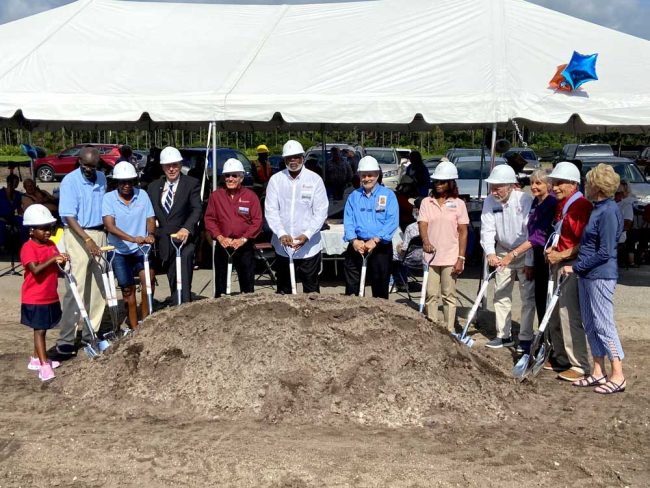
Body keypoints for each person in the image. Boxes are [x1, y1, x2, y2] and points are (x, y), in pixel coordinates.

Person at [563, 164, 626, 394]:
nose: (585, 186)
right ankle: (598, 371)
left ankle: (618, 374)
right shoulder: (597, 208)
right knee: (590, 324)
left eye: (588, 182)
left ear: (596, 185)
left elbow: (606, 251)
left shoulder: (609, 211)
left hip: (601, 275)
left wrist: (576, 266)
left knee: (603, 324)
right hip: (587, 275)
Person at [54, 146, 107, 357]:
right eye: (85, 165)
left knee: (97, 288)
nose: (89, 170)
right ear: (79, 162)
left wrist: (98, 239)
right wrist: (86, 239)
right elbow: (68, 215)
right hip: (77, 234)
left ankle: (90, 333)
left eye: (92, 166)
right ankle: (66, 338)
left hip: (99, 233)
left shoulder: (102, 178)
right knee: (76, 288)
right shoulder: (70, 181)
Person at [545, 161, 593, 381]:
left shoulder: (580, 206)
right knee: (555, 312)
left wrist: (561, 255)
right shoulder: (564, 204)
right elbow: (563, 234)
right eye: (554, 183)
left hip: (570, 266)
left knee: (568, 313)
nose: (555, 187)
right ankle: (561, 356)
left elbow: (586, 242)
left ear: (573, 184)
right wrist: (555, 249)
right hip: (559, 261)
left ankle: (579, 364)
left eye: (560, 183)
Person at [480, 164, 535, 349]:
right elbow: (487, 229)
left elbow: (531, 232)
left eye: (498, 188)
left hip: (524, 250)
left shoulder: (525, 200)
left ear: (511, 186)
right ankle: (503, 335)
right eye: (492, 187)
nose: (494, 191)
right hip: (502, 249)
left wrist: (526, 259)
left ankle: (526, 338)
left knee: (527, 296)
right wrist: (490, 253)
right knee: (501, 293)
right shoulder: (489, 201)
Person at [500, 169, 557, 350]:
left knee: (546, 299)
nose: (533, 186)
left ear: (548, 185)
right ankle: (541, 339)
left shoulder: (551, 203)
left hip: (549, 257)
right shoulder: (535, 202)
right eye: (532, 183)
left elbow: (538, 237)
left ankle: (549, 340)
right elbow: (530, 233)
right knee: (538, 298)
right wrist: (529, 262)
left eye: (538, 183)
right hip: (537, 257)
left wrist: (513, 254)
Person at [265, 140, 328, 294]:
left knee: (311, 289)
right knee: (284, 290)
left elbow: (321, 211)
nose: (293, 160)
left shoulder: (315, 180)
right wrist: (281, 233)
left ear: (302, 157)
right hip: (283, 246)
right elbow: (271, 210)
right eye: (289, 158)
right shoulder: (276, 180)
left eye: (296, 157)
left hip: (309, 246)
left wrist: (307, 234)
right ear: (284, 160)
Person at [102, 162, 156, 328]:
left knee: (149, 281)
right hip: (119, 251)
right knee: (127, 289)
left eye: (130, 181)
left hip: (141, 248)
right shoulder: (108, 198)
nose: (126, 185)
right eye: (122, 182)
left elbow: (150, 218)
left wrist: (151, 234)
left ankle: (146, 321)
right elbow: (109, 225)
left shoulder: (142, 195)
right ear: (116, 182)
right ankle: (134, 327)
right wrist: (132, 238)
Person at [147, 146, 202, 305]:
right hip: (164, 239)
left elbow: (196, 209)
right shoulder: (153, 187)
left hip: (184, 239)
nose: (171, 169)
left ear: (180, 164)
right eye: (167, 166)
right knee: (172, 275)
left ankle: (184, 307)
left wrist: (186, 228)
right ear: (162, 167)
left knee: (183, 271)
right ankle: (175, 303)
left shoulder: (191, 184)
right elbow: (149, 212)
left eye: (175, 165)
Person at [418, 161, 469, 329]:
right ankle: (433, 327)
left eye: (442, 182)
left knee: (448, 294)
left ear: (451, 183)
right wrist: (426, 241)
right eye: (436, 182)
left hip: (450, 255)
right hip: (431, 256)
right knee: (431, 294)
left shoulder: (459, 204)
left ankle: (449, 329)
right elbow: (423, 224)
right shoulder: (427, 202)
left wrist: (461, 257)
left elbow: (463, 231)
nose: (438, 185)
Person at [20, 204, 68, 382]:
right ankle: (43, 365)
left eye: (50, 228)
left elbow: (56, 265)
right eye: (43, 228)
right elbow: (35, 270)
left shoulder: (51, 245)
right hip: (35, 297)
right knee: (39, 330)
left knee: (45, 327)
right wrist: (53, 259)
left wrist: (61, 260)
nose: (48, 232)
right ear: (32, 231)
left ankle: (36, 358)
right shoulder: (28, 248)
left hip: (50, 295)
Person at [204, 158, 263, 298]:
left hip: (244, 245)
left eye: (234, 175)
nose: (230, 179)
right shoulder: (215, 196)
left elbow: (257, 221)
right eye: (227, 175)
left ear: (241, 178)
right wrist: (219, 237)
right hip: (223, 245)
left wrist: (243, 239)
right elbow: (209, 219)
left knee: (247, 286)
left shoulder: (251, 196)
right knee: (221, 285)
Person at [343, 155, 399, 299]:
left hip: (380, 246)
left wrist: (375, 240)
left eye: (370, 175)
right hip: (357, 245)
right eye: (363, 175)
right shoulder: (353, 196)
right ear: (359, 175)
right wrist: (354, 241)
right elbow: (348, 220)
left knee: (380, 290)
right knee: (351, 289)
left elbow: (392, 221)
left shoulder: (388, 196)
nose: (367, 178)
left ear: (377, 175)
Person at [392, 196, 424, 287]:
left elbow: (404, 249)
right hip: (428, 258)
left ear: (417, 210)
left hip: (412, 258)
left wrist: (398, 247)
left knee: (392, 254)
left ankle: (397, 282)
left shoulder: (411, 227)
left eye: (414, 207)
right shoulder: (434, 225)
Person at [615, 180, 637, 267]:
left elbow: (627, 224)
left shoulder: (626, 205)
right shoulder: (610, 204)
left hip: (620, 233)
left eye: (618, 192)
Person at [0, 174, 24, 245]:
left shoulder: (18, 194)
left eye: (17, 182)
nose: (15, 184)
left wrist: (23, 215)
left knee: (24, 222)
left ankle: (24, 243)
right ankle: (2, 246)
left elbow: (19, 209)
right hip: (1, 217)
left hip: (11, 217)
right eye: (14, 182)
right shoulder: (1, 193)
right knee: (0, 225)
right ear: (8, 182)